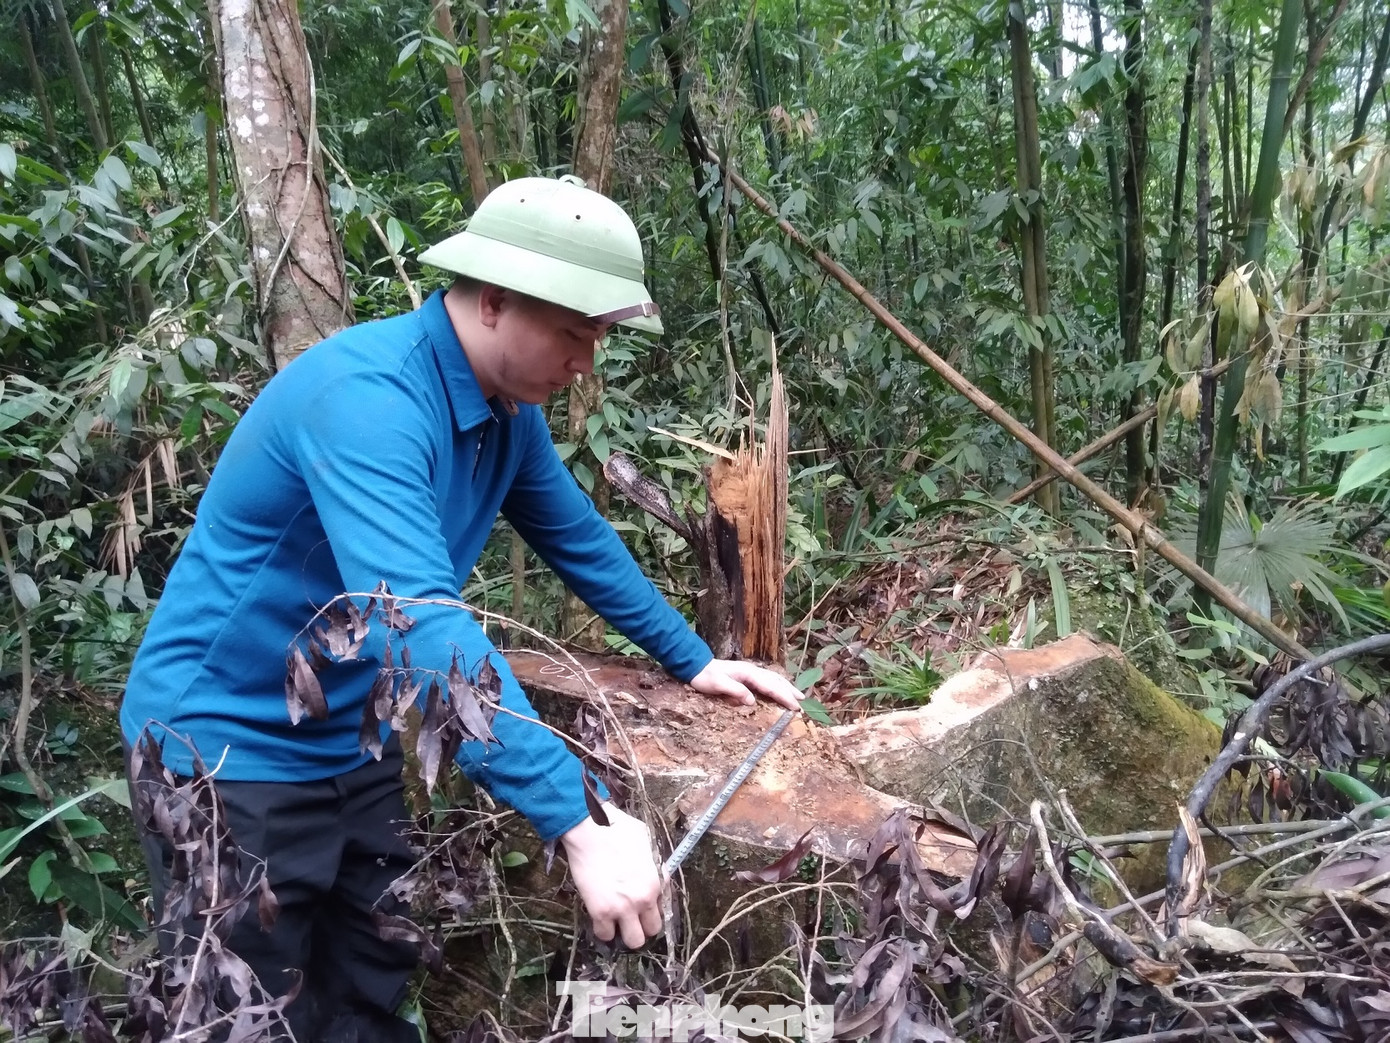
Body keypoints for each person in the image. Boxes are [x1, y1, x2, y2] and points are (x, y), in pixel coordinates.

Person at [119, 174, 802, 1042]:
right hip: (221, 750)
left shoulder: (505, 416)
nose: (588, 359)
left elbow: (577, 538)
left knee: (368, 984)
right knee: (245, 1014)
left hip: (346, 733)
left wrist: (692, 657)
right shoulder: (368, 403)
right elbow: (421, 626)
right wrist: (579, 818)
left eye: (597, 335)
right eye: (573, 331)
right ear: (489, 302)